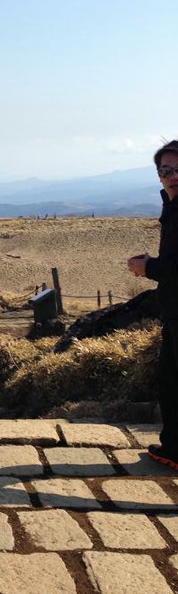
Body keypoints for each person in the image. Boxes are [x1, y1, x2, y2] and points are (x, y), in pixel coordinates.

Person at [127, 139, 178, 470]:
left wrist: (149, 268)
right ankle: (173, 448)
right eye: (167, 170)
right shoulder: (172, 207)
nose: (174, 176)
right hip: (172, 310)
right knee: (170, 381)